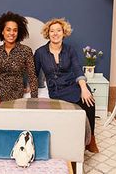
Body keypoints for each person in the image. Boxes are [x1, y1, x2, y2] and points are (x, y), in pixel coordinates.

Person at [34, 18, 99, 153]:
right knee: (77, 109)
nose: (55, 33)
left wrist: (84, 88)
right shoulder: (40, 52)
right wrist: (29, 86)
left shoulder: (70, 50)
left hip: (72, 85)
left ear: (64, 33)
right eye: (52, 31)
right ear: (48, 33)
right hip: (56, 89)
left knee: (89, 101)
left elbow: (77, 69)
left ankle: (91, 139)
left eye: (58, 30)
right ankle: (73, 140)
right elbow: (34, 72)